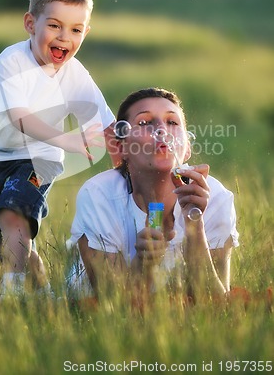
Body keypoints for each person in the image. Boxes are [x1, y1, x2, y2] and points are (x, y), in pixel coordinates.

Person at [0, 0, 116, 301]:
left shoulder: (75, 73)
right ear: (30, 23)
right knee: (11, 239)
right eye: (55, 26)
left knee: (12, 215)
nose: (65, 37)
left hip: (41, 159)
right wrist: (69, 140)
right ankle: (45, 295)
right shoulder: (12, 61)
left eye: (76, 30)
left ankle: (12, 297)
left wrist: (124, 161)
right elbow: (19, 117)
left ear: (86, 32)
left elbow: (105, 124)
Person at [69, 87, 239, 304]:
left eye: (172, 123)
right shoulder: (99, 196)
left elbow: (216, 304)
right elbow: (113, 305)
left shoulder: (214, 197)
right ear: (122, 148)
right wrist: (143, 263)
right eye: (144, 123)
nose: (161, 130)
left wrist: (195, 226)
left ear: (187, 149)